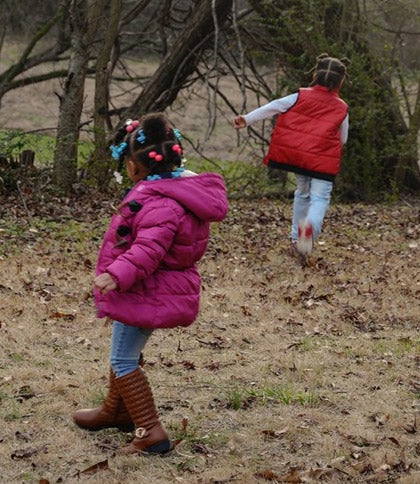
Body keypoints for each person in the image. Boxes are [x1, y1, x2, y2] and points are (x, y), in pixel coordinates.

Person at [72, 112, 228, 456]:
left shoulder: (161, 202)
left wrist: (117, 274)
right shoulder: (171, 190)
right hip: (146, 288)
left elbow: (149, 249)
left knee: (124, 359)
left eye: (127, 161)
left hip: (146, 289)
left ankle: (149, 431)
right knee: (122, 353)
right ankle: (117, 410)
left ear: (135, 166)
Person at [233, 54, 348, 265]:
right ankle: (308, 232)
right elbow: (343, 139)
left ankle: (296, 240)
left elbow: (274, 107)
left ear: (315, 75)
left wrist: (247, 119)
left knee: (302, 194)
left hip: (298, 158)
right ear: (340, 81)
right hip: (323, 162)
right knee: (320, 199)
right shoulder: (342, 107)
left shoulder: (299, 96)